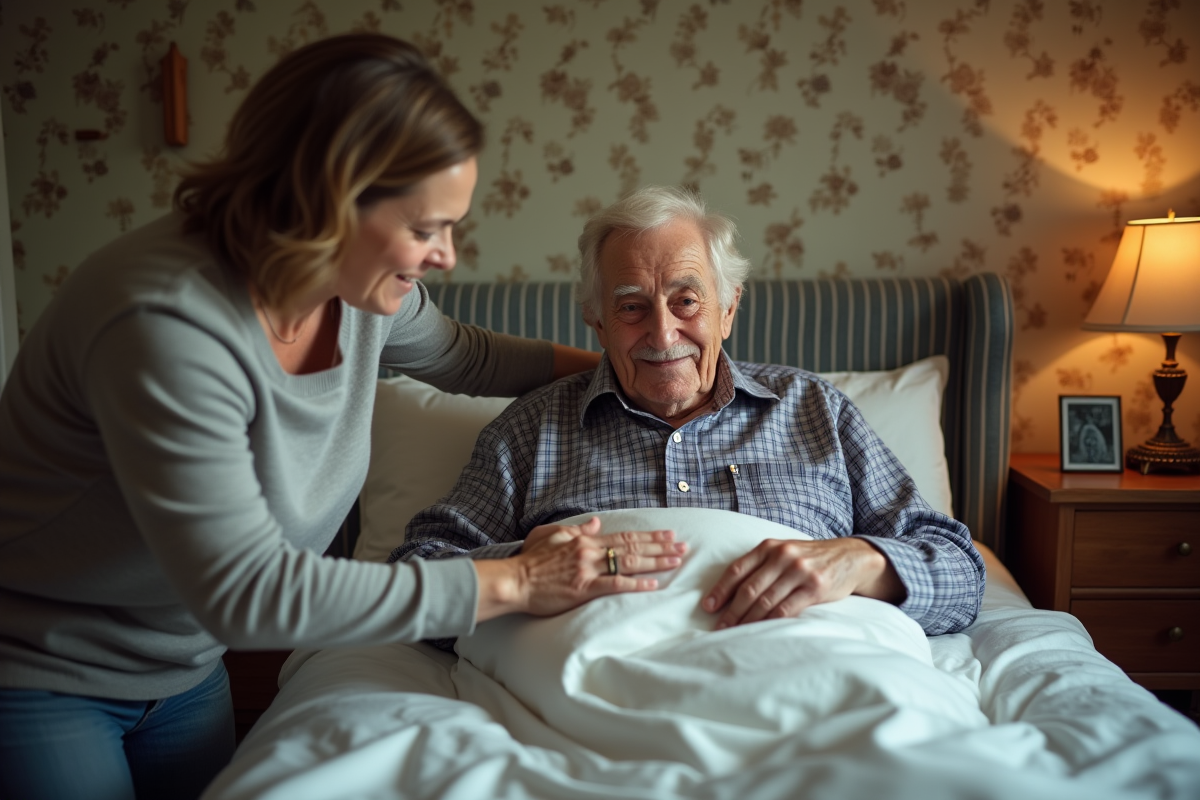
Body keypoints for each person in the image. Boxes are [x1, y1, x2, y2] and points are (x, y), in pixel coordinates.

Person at [0, 34, 683, 800]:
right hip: (42, 668)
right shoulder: (164, 323)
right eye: (427, 228)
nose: (446, 256)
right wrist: (518, 580)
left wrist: (634, 367)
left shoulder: (351, 290)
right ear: (327, 200)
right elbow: (250, 591)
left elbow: (470, 357)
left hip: (187, 670)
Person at [392, 185, 985, 637]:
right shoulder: (530, 431)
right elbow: (417, 571)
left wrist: (860, 561)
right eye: (630, 307)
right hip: (597, 704)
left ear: (728, 309)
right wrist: (527, 569)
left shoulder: (815, 411)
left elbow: (962, 574)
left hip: (807, 688)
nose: (662, 331)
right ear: (595, 320)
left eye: (687, 300)